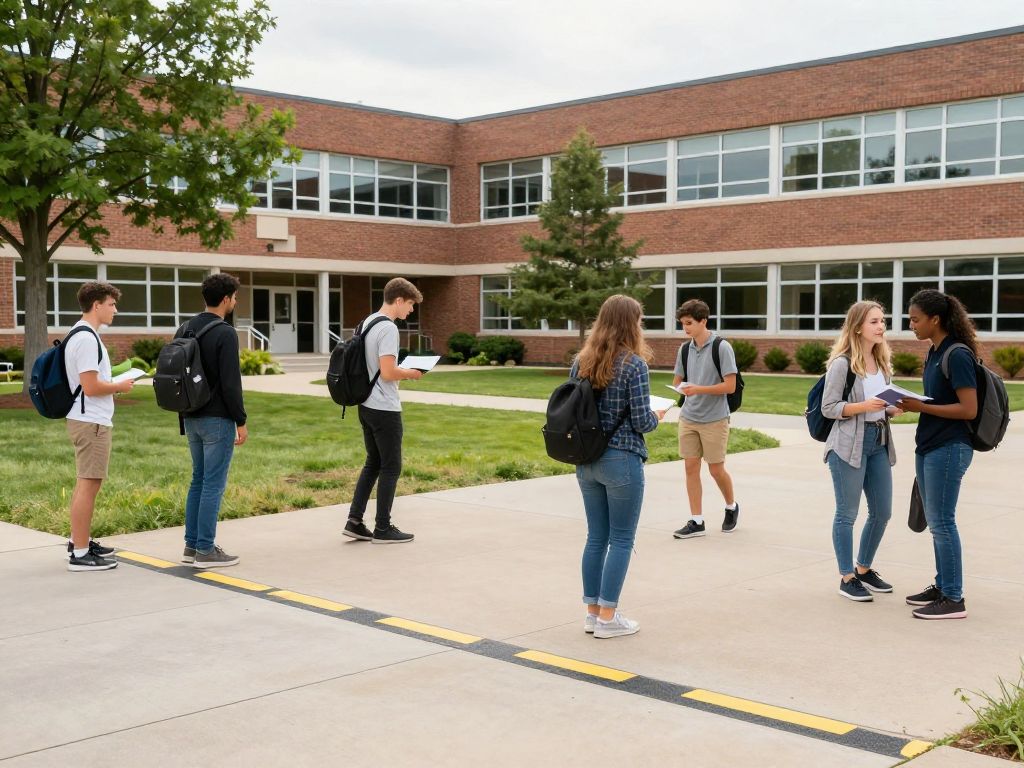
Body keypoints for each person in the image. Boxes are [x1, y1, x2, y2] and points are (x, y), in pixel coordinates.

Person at [574, 295, 664, 639]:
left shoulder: (581, 360)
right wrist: (657, 417)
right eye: (640, 320)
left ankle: (593, 613)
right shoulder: (634, 365)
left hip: (586, 460)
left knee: (596, 537)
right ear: (631, 323)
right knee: (622, 539)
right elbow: (641, 421)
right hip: (622, 459)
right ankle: (609, 618)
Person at [897, 289, 978, 620]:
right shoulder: (934, 352)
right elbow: (937, 400)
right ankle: (943, 584)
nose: (911, 325)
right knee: (936, 522)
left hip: (949, 447)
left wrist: (919, 406)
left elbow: (969, 409)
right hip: (930, 444)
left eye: (915, 319)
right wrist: (915, 405)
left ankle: (953, 598)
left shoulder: (956, 354)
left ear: (936, 319)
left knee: (943, 522)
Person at [820, 301, 902, 602]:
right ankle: (847, 577)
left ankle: (864, 569)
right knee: (847, 514)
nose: (881, 327)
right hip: (848, 446)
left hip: (879, 442)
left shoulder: (881, 362)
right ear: (857, 327)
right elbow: (828, 408)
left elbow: (882, 403)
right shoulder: (842, 364)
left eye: (882, 321)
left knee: (882, 512)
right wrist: (863, 407)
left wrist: (892, 408)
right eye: (874, 322)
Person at [343, 277, 424, 544]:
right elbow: (388, 372)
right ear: (399, 300)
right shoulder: (388, 328)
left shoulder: (367, 322)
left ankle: (354, 521)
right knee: (391, 467)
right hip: (384, 407)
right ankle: (383, 528)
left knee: (373, 463)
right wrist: (411, 373)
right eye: (410, 305)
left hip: (365, 404)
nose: (411, 311)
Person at [178, 272, 248, 569]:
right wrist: (240, 421)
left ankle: (191, 546)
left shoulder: (185, 328)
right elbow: (231, 383)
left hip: (190, 415)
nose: (234, 302)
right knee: (213, 484)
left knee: (198, 480)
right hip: (217, 419)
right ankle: (206, 550)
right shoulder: (225, 332)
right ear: (225, 299)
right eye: (234, 297)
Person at [64, 282, 135, 571]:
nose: (115, 310)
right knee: (89, 484)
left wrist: (113, 385)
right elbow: (91, 387)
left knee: (86, 483)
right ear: (96, 305)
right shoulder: (87, 339)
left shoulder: (80, 334)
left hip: (88, 419)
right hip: (91, 421)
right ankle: (80, 555)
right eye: (111, 304)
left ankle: (78, 541)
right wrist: (120, 385)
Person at [671, 299, 740, 539]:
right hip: (689, 416)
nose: (686, 328)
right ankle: (696, 521)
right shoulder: (684, 349)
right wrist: (681, 389)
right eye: (682, 324)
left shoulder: (721, 347)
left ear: (703, 321)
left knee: (716, 470)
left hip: (715, 418)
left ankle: (731, 506)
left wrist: (699, 389)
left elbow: (730, 386)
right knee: (690, 468)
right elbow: (677, 382)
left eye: (689, 323)